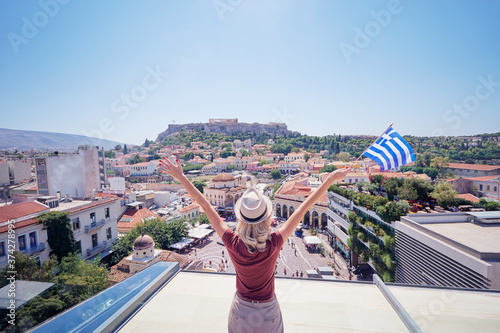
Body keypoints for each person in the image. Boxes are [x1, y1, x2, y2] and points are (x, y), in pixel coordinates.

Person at [160, 157, 350, 333]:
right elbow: (303, 208)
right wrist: (329, 180)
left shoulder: (232, 242)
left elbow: (205, 204)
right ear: (266, 217)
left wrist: (181, 177)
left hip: (240, 310)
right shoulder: (274, 243)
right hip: (268, 312)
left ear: (241, 219)